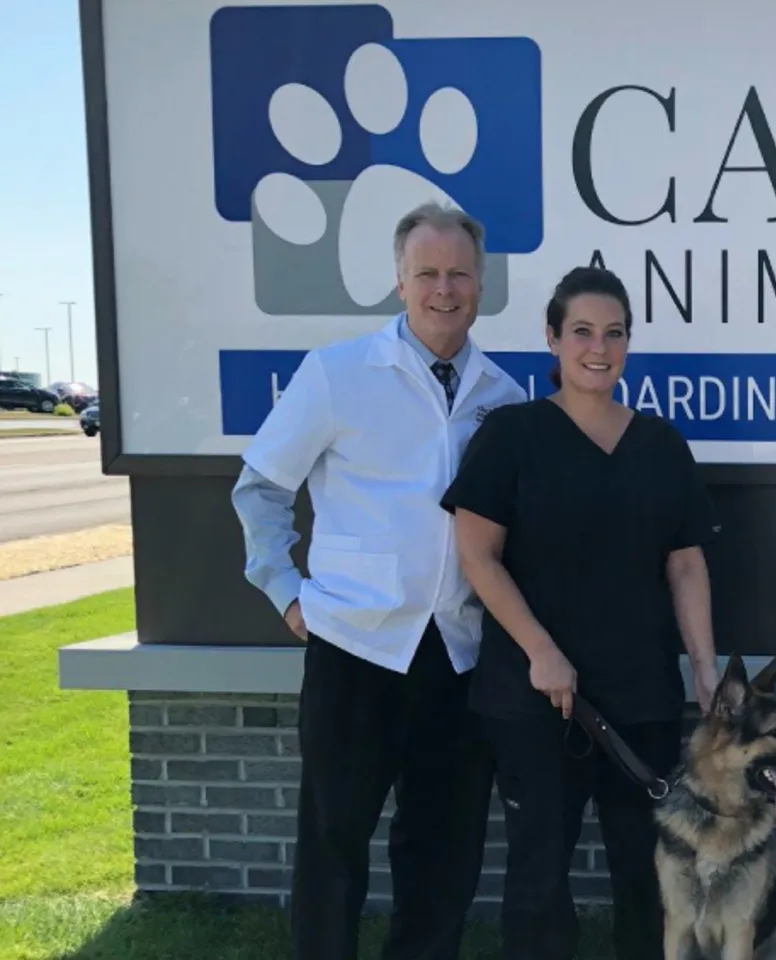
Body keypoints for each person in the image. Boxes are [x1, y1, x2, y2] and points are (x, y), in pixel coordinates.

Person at [231, 201, 528, 960]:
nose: (444, 288)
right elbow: (261, 487)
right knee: (333, 843)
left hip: (457, 657)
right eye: (426, 272)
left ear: (481, 283)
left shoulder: (504, 397)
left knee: (443, 853)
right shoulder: (336, 374)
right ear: (398, 281)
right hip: (352, 652)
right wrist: (286, 592)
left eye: (459, 272)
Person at [439, 264, 722, 960]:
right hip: (534, 699)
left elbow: (685, 563)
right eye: (583, 332)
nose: (600, 348)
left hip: (641, 697)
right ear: (553, 339)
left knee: (647, 877)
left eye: (615, 333)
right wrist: (540, 648)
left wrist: (706, 671)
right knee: (538, 880)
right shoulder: (512, 435)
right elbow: (479, 555)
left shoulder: (661, 445)